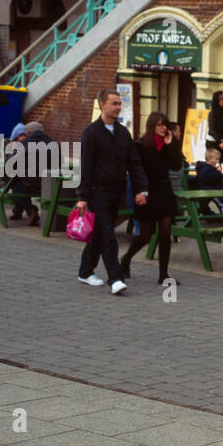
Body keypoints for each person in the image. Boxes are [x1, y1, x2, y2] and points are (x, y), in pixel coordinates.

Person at [75, 88, 148, 294]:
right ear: (102, 105)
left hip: (116, 192)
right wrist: (83, 197)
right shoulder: (91, 133)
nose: (118, 107)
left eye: (119, 103)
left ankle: (85, 270)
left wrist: (142, 189)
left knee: (99, 234)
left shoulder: (123, 133)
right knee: (108, 234)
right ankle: (115, 279)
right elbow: (86, 166)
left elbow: (134, 163)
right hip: (98, 192)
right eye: (114, 103)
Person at [121, 114, 184, 286]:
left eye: (165, 125)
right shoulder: (141, 145)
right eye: (160, 125)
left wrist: (172, 145)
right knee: (145, 236)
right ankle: (125, 259)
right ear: (152, 127)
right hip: (147, 192)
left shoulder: (167, 145)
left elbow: (177, 165)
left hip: (164, 192)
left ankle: (163, 274)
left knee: (165, 234)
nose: (164, 129)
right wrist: (139, 193)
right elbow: (135, 172)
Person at [5, 121, 44, 225]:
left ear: (28, 133)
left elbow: (9, 164)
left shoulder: (22, 145)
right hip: (47, 184)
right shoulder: (53, 143)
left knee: (15, 183)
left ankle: (31, 211)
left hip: (29, 183)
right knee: (18, 180)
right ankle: (18, 211)